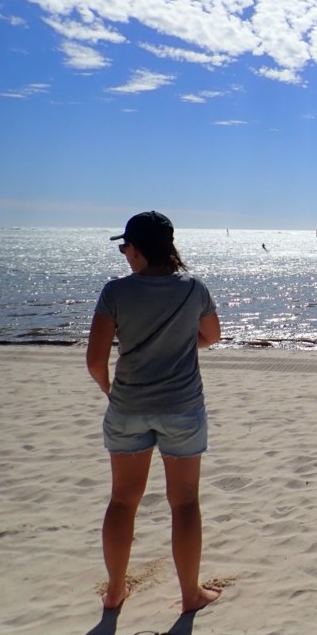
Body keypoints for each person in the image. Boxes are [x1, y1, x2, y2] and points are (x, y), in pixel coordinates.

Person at [86, 211, 222, 614]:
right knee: (184, 503)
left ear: (139, 249)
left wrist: (113, 392)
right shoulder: (193, 289)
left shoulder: (115, 292)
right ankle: (190, 595)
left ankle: (114, 593)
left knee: (123, 501)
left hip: (128, 409)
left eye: (126, 247)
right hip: (181, 409)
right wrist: (179, 343)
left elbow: (95, 361)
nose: (125, 254)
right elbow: (211, 337)